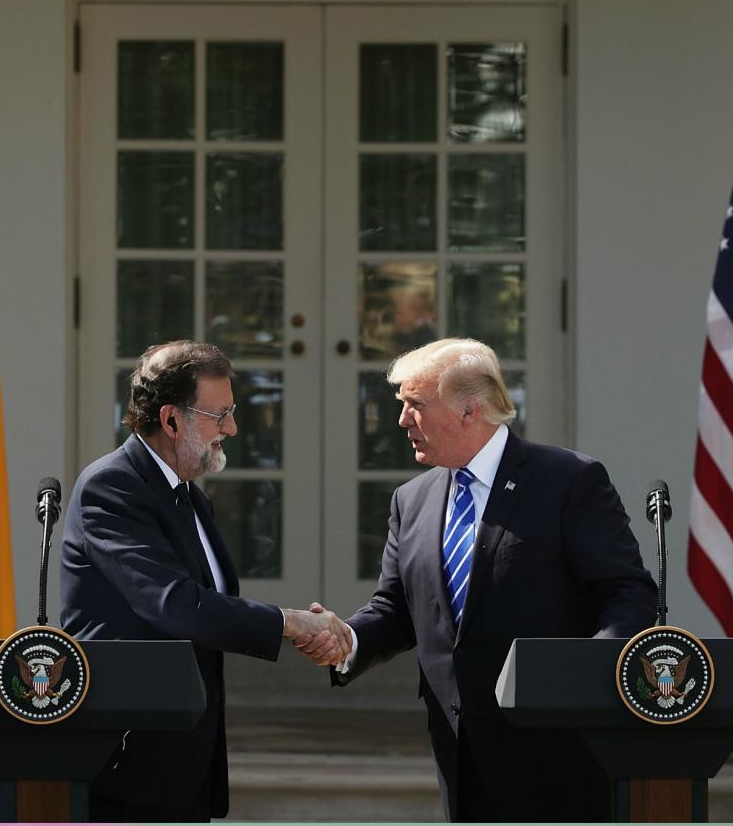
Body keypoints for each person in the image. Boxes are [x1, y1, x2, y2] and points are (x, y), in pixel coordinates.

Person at [298, 338, 657, 822]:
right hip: (459, 747)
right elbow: (397, 609)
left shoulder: (568, 480)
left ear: (469, 410)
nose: (403, 420)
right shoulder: (412, 499)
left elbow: (626, 592)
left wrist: (589, 678)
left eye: (415, 405)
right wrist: (348, 640)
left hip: (557, 747)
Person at [61, 340, 350, 822]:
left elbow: (208, 609)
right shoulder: (112, 487)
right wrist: (289, 623)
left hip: (186, 755)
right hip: (128, 762)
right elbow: (174, 604)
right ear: (171, 420)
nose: (232, 428)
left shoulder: (191, 496)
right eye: (220, 415)